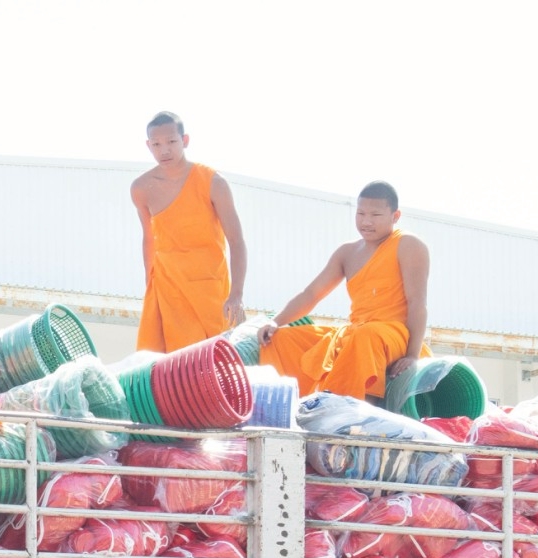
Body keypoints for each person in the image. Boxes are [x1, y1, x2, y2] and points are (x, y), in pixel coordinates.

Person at [259, 182, 430, 401]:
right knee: (281, 339)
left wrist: (412, 356)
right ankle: (287, 402)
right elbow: (312, 294)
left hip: (393, 335)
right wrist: (276, 322)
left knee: (364, 336)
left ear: (395, 216)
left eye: (375, 215)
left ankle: (344, 406)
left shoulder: (408, 245)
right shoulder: (347, 252)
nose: (366, 221)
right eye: (360, 214)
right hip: (355, 331)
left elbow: (417, 302)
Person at [132, 111, 248, 352]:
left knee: (213, 359)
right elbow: (148, 239)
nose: (164, 150)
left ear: (185, 141)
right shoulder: (141, 188)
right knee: (171, 365)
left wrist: (236, 294)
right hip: (168, 288)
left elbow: (236, 241)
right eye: (156, 144)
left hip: (209, 287)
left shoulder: (213, 182)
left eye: (171, 142)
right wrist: (150, 286)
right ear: (148, 146)